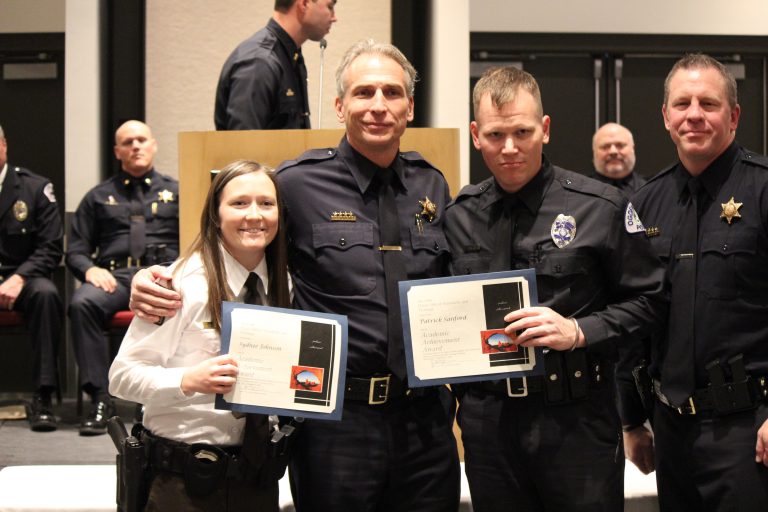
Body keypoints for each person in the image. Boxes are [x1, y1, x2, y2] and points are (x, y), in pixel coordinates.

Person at [130, 40, 460, 511]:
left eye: (392, 93)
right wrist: (155, 276)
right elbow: (234, 241)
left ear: (410, 107)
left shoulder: (432, 184)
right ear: (341, 106)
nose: (378, 106)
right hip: (336, 420)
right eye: (364, 93)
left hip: (423, 417)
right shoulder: (297, 183)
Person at [444, 66, 666, 511]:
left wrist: (579, 331)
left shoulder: (600, 207)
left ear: (544, 129)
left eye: (522, 131)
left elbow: (653, 301)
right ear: (475, 134)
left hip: (576, 420)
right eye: (494, 135)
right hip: (490, 425)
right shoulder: (458, 215)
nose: (509, 148)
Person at [626, 53, 768, 510]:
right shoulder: (644, 205)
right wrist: (631, 420)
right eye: (682, 103)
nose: (694, 115)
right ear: (665, 116)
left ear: (734, 115)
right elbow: (633, 317)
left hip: (749, 428)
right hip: (671, 430)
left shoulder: (763, 190)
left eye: (708, 103)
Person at [109, 160, 290, 511]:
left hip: (257, 477)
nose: (255, 215)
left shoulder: (287, 285)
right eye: (239, 203)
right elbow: (121, 377)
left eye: (266, 203)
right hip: (182, 479)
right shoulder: (179, 285)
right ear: (215, 214)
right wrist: (189, 380)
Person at [67, 120, 179, 436]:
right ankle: (101, 399)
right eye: (128, 142)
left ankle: (154, 395)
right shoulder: (98, 196)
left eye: (142, 139)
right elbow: (75, 249)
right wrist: (90, 270)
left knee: (179, 301)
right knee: (82, 303)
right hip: (115, 278)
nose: (136, 146)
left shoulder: (177, 191)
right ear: (118, 151)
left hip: (163, 274)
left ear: (154, 145)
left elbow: (196, 240)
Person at [0, 123, 64, 432]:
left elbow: (51, 248)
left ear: (3, 147)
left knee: (47, 294)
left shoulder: (35, 188)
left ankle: (44, 396)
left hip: (23, 279)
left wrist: (19, 278)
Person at [214, 0, 338, 130]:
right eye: (330, 6)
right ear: (304, 4)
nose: (334, 18)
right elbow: (243, 145)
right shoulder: (259, 63)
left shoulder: (290, 56)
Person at [590, 122, 645, 195]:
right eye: (605, 146)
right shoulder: (579, 192)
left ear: (633, 149)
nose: (613, 151)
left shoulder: (650, 190)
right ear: (594, 151)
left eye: (620, 145)